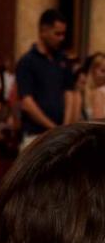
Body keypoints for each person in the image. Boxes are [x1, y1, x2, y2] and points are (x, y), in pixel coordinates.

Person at [15, 9, 74, 148]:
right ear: (43, 31)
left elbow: (70, 93)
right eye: (57, 34)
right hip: (36, 136)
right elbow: (27, 103)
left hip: (61, 136)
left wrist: (65, 127)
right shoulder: (27, 61)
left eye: (63, 34)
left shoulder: (63, 60)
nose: (61, 38)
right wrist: (53, 128)